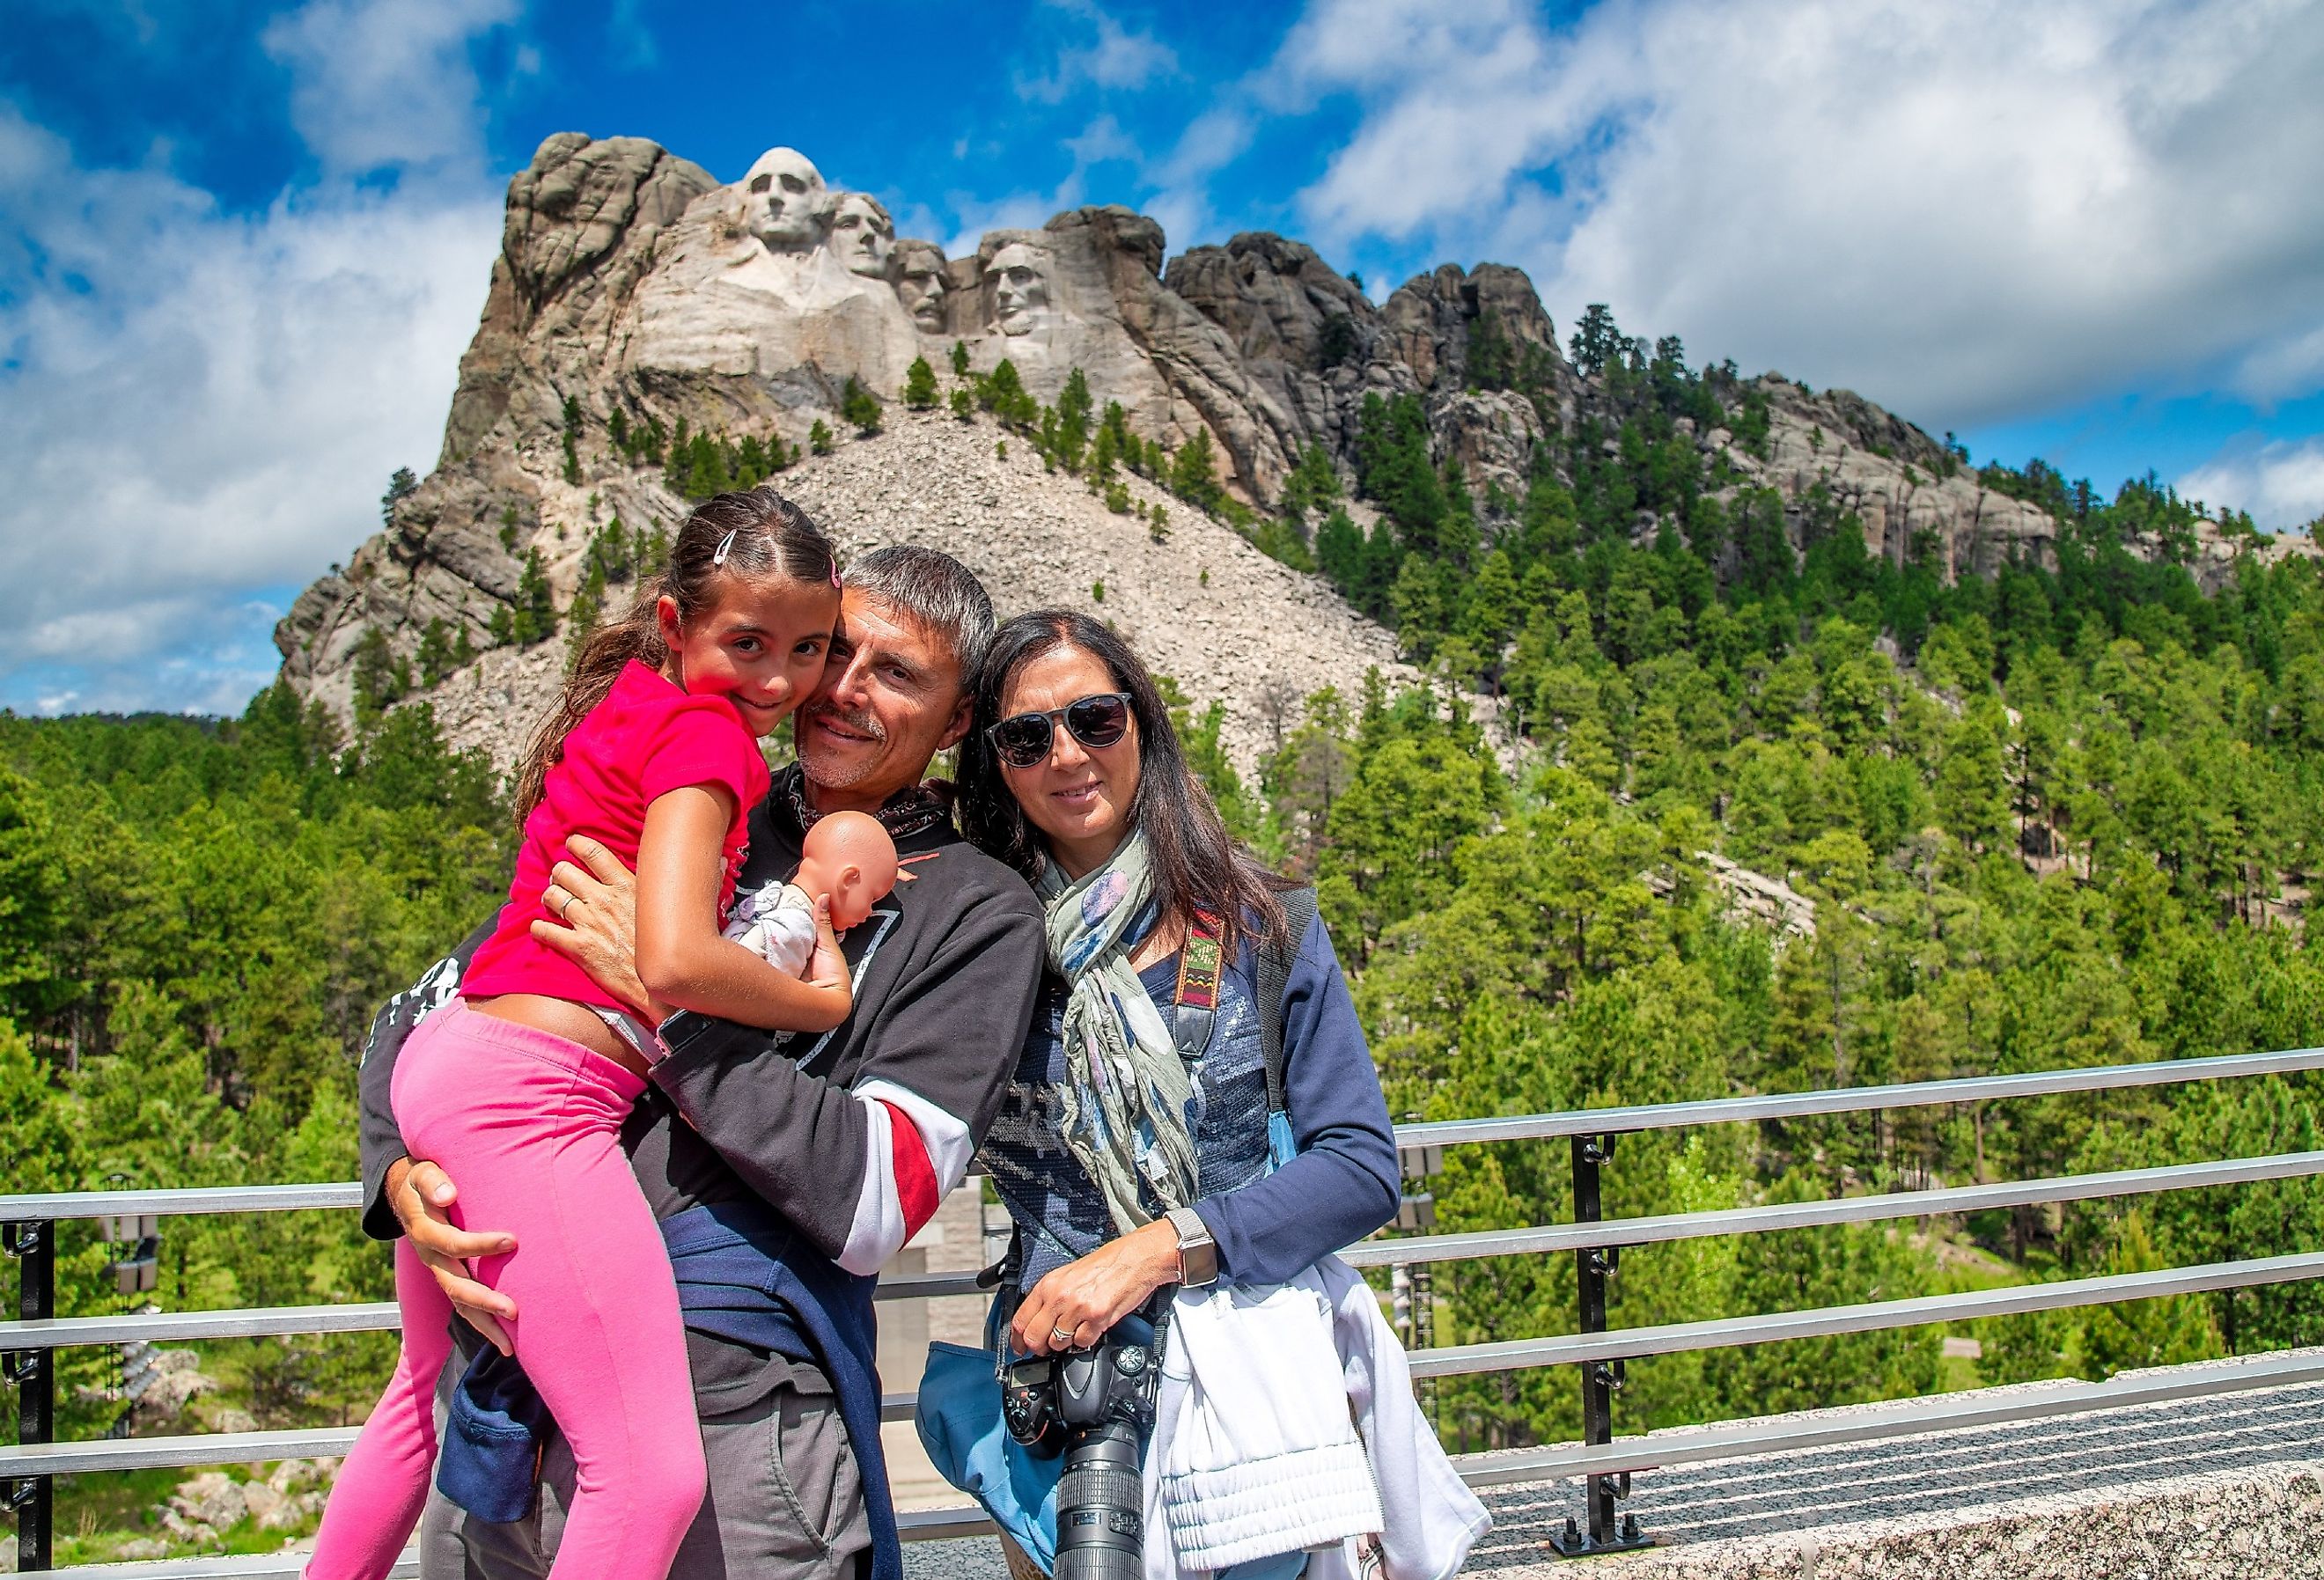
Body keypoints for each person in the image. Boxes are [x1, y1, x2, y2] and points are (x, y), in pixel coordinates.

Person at [354, 544, 1048, 1580]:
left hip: (734, 1435)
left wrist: (670, 1000)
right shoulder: (697, 792)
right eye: (836, 652)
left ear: (957, 723)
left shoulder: (978, 912)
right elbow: (443, 1002)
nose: (844, 691)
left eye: (896, 672)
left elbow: (874, 1200)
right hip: (507, 1387)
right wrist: (401, 1176)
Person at [315, 488, 850, 1580]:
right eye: (746, 643)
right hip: (537, 1096)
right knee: (652, 1477)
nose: (778, 681)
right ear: (675, 623)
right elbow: (671, 963)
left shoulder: (628, 715)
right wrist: (819, 1000)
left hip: (459, 1065)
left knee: (418, 1403)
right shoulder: (711, 742)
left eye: (809, 649)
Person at [952, 610, 1406, 1568]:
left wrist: (1158, 1250)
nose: (1066, 755)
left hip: (1250, 1390)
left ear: (1142, 728)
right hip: (1068, 1400)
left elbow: (1362, 1167)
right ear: (997, 764)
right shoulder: (977, 953)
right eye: (1027, 737)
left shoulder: (1264, 928)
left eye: (1096, 720)